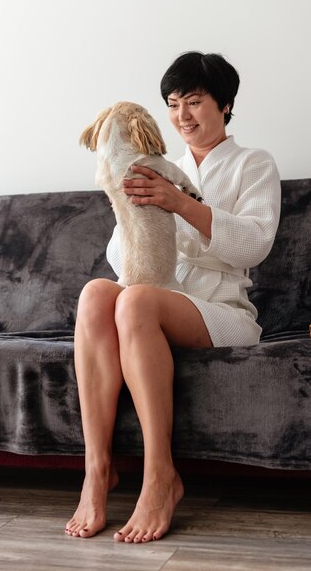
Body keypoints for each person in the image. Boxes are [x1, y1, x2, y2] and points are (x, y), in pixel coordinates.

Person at [65, 51, 281, 544]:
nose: (182, 114)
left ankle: (160, 475)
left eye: (195, 101)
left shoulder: (254, 164)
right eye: (173, 103)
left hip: (223, 310)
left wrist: (180, 204)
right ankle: (97, 470)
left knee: (136, 300)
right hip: (155, 298)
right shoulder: (160, 165)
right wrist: (129, 203)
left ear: (225, 105)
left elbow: (256, 244)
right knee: (98, 292)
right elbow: (124, 258)